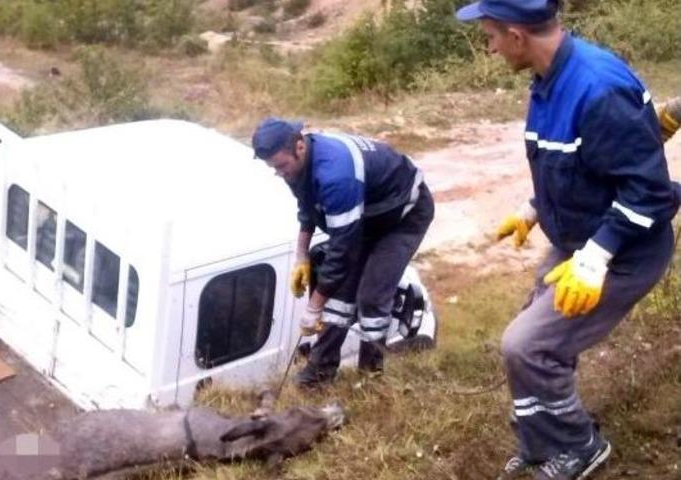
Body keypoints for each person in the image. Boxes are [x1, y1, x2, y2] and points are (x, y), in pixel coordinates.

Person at [455, 1, 681, 479]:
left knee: (526, 345)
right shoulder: (549, 79)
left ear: (517, 36)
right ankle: (542, 443)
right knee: (534, 336)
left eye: (491, 36)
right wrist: (533, 210)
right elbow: (578, 164)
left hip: (625, 251)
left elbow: (650, 193)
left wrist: (595, 258)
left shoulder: (597, 88)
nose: (490, 48)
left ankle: (580, 445)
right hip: (577, 239)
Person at [251, 118, 434, 387]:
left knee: (371, 296)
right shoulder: (296, 167)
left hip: (402, 216)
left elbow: (342, 251)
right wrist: (302, 254)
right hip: (367, 214)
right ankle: (320, 372)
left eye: (281, 166)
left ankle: (371, 377)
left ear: (300, 147)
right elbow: (308, 206)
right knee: (338, 297)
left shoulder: (336, 175)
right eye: (274, 168)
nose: (279, 173)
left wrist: (314, 306)